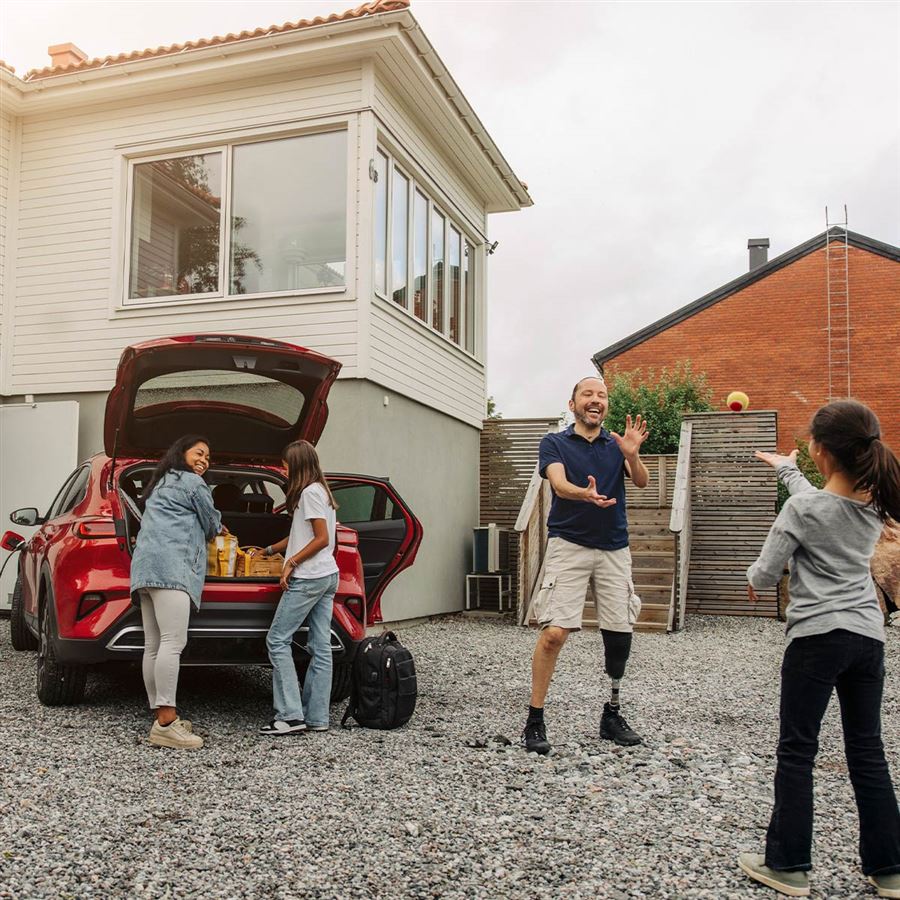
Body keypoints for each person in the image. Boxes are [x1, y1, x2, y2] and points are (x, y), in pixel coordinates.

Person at [738, 400, 900, 899]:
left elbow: (764, 574)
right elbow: (823, 501)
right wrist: (789, 471)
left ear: (822, 452)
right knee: (867, 750)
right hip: (867, 638)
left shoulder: (801, 510)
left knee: (798, 750)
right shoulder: (874, 505)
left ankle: (788, 866)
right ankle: (890, 869)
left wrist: (753, 580)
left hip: (816, 639)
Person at [522, 375, 650, 755]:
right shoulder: (555, 442)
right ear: (573, 403)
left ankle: (611, 713)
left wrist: (631, 454)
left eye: (602, 395)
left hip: (614, 548)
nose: (596, 400)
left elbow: (641, 481)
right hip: (569, 546)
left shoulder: (616, 443)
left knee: (619, 634)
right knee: (554, 634)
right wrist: (585, 494)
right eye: (588, 394)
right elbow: (559, 485)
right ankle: (535, 718)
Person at [131, 435, 224, 750]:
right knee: (173, 642)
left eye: (208, 457)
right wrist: (220, 525)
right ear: (181, 452)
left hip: (145, 569)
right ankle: (168, 724)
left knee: (154, 645)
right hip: (172, 568)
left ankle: (160, 717)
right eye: (199, 452)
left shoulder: (160, 483)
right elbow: (211, 524)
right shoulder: (193, 483)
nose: (204, 460)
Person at [258, 440, 339, 736]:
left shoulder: (309, 493)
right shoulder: (321, 492)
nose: (283, 468)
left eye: (286, 463)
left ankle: (290, 716)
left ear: (298, 465)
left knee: (277, 640)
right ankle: (317, 718)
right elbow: (300, 535)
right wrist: (266, 550)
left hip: (309, 578)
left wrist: (290, 563)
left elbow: (321, 539)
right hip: (328, 575)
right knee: (321, 648)